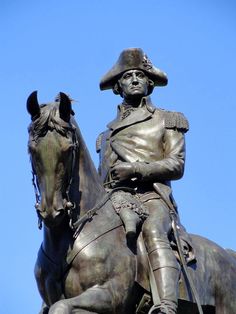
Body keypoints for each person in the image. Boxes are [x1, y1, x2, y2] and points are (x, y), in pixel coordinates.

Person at [96, 48, 193, 314]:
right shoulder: (105, 136)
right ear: (118, 85)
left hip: (152, 198)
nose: (135, 79)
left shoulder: (167, 119)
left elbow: (176, 165)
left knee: (152, 231)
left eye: (140, 75)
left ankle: (166, 304)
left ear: (149, 83)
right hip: (114, 202)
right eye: (128, 76)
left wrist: (136, 169)